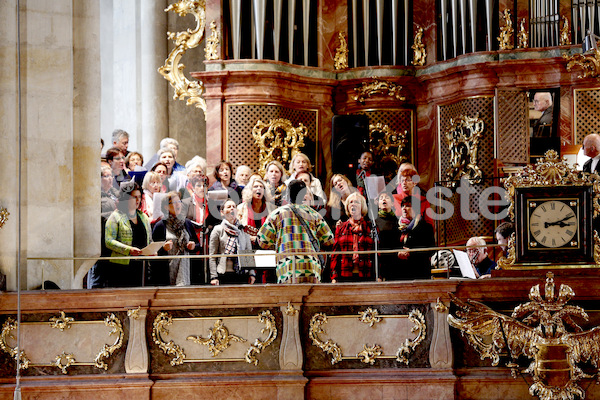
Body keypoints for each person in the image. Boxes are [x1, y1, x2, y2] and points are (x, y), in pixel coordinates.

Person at [257, 179, 335, 284]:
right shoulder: (314, 214)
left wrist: (278, 242)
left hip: (287, 268)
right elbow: (329, 240)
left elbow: (263, 242)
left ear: (288, 194)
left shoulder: (277, 213)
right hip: (311, 268)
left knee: (290, 299)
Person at [104, 182, 169, 287]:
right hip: (120, 267)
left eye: (139, 197)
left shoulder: (143, 216)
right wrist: (129, 249)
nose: (138, 200)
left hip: (141, 266)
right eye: (134, 197)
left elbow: (149, 241)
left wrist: (154, 250)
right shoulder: (115, 216)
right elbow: (109, 241)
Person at [151, 192, 199, 286]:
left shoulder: (187, 223)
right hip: (167, 271)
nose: (178, 204)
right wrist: (163, 248)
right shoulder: (160, 225)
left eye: (179, 201)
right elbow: (152, 250)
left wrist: (193, 246)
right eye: (174, 202)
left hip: (186, 270)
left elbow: (198, 245)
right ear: (166, 207)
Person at [237, 176, 276, 283]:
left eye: (261, 187)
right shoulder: (241, 208)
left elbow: (275, 230)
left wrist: (259, 238)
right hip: (248, 248)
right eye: (255, 186)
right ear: (250, 190)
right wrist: (249, 237)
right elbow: (238, 228)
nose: (258, 189)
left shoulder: (272, 208)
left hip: (266, 247)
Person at [182, 176, 219, 284]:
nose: (202, 188)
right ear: (192, 187)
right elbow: (182, 223)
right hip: (192, 241)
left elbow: (216, 222)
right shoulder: (185, 203)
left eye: (204, 185)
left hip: (208, 242)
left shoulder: (212, 203)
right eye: (198, 185)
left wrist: (209, 228)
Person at [330, 192, 374, 283]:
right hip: (345, 274)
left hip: (366, 273)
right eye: (350, 202)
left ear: (362, 206)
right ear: (347, 207)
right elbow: (335, 253)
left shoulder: (370, 227)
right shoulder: (341, 227)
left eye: (357, 202)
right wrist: (334, 276)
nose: (353, 204)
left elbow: (377, 254)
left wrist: (379, 275)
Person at [208, 199, 254, 285]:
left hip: (242, 273)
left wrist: (252, 273)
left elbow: (249, 253)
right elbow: (212, 256)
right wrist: (214, 277)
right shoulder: (218, 229)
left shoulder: (243, 229)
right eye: (229, 207)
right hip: (223, 274)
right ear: (222, 212)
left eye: (234, 207)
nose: (232, 209)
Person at [395, 195, 435, 281]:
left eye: (408, 206)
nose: (404, 208)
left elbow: (431, 250)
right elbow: (392, 246)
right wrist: (398, 253)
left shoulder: (425, 227)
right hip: (400, 273)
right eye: (402, 206)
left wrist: (411, 253)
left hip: (419, 272)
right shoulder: (396, 227)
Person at [375, 191, 400, 281]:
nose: (384, 199)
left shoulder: (398, 220)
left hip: (395, 259)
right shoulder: (374, 221)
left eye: (387, 197)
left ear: (392, 203)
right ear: (378, 204)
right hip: (380, 258)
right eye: (381, 198)